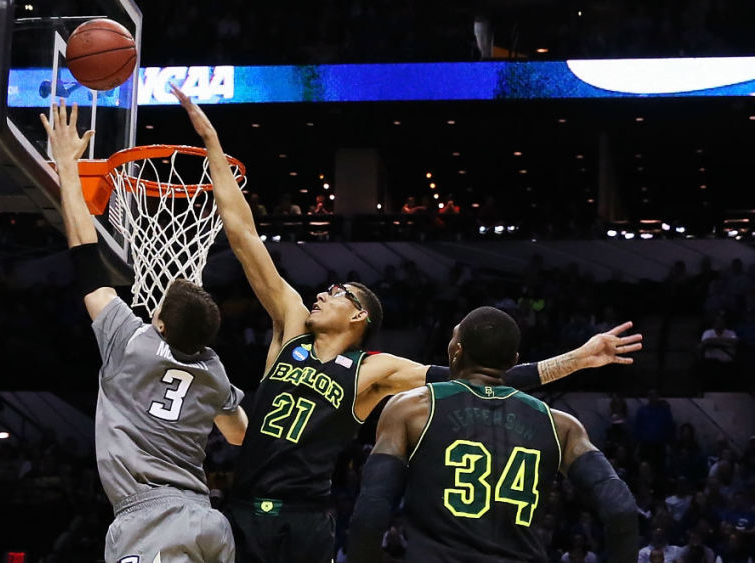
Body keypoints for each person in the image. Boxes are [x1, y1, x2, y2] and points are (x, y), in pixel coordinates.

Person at [170, 87, 643, 563]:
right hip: (246, 506)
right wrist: (212, 142)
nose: (321, 293)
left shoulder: (374, 370)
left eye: (336, 292)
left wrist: (578, 359)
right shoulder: (291, 326)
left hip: (308, 516)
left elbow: (483, 381)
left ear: (359, 315)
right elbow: (243, 233)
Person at [41, 100, 247, 563]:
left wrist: (69, 169)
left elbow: (83, 252)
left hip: (149, 520)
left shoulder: (130, 340)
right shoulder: (215, 374)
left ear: (159, 321)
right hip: (207, 519)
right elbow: (238, 436)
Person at [346, 307, 639, 563]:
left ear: (456, 351)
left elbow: (372, 511)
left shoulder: (413, 408)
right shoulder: (560, 425)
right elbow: (622, 508)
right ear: (514, 360)